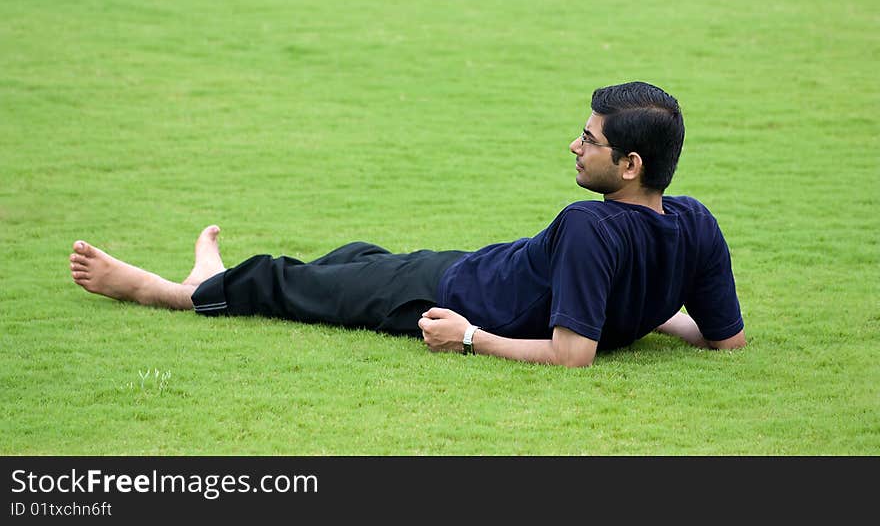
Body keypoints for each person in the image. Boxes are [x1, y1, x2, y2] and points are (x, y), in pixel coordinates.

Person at [69, 81, 746, 367]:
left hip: (448, 292)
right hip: (474, 268)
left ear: (629, 163)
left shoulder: (588, 226)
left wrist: (469, 336)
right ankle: (213, 281)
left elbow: (573, 355)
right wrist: (635, 309)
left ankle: (169, 291)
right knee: (353, 260)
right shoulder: (694, 223)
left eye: (588, 140)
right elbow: (723, 339)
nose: (575, 145)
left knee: (290, 284)